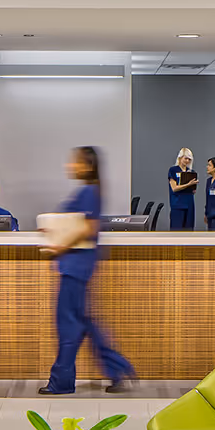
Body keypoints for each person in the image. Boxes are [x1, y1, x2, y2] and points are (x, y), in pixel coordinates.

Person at [40, 146, 136, 395]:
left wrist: (61, 244)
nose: (70, 166)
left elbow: (89, 228)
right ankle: (117, 370)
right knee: (82, 324)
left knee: (69, 325)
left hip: (76, 268)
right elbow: (75, 224)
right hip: (76, 267)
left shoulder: (90, 192)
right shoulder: (88, 192)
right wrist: (53, 230)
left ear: (86, 165)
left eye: (75, 162)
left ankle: (63, 381)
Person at [166, 147, 198, 231]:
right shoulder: (173, 170)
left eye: (189, 159)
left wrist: (193, 187)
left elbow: (192, 190)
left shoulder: (190, 172)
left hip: (189, 204)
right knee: (177, 230)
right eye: (185, 158)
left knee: (189, 229)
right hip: (177, 204)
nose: (187, 161)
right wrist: (188, 184)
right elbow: (174, 188)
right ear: (180, 158)